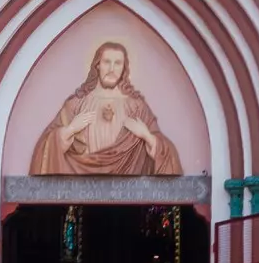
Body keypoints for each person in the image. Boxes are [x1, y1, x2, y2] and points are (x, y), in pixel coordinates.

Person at [29, 41, 184, 176]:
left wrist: (146, 136)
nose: (112, 68)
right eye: (106, 62)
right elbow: (45, 148)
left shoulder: (137, 107)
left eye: (118, 63)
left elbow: (167, 155)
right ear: (97, 65)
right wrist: (70, 129)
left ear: (124, 68)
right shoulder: (76, 104)